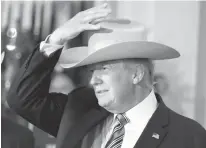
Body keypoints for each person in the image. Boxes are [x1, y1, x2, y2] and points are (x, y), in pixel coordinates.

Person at [7, 3, 206, 148]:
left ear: (137, 74)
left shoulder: (188, 137)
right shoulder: (79, 112)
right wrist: (56, 39)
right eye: (92, 70)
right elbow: (22, 99)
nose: (94, 80)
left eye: (105, 68)